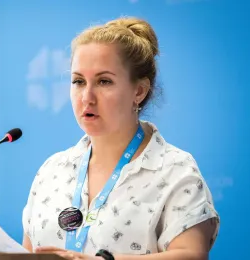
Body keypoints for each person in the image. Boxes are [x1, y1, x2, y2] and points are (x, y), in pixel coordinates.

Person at [21, 16, 220, 260]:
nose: (87, 97)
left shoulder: (175, 170)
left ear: (139, 91)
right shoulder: (51, 171)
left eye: (104, 81)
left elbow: (192, 255)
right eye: (78, 81)